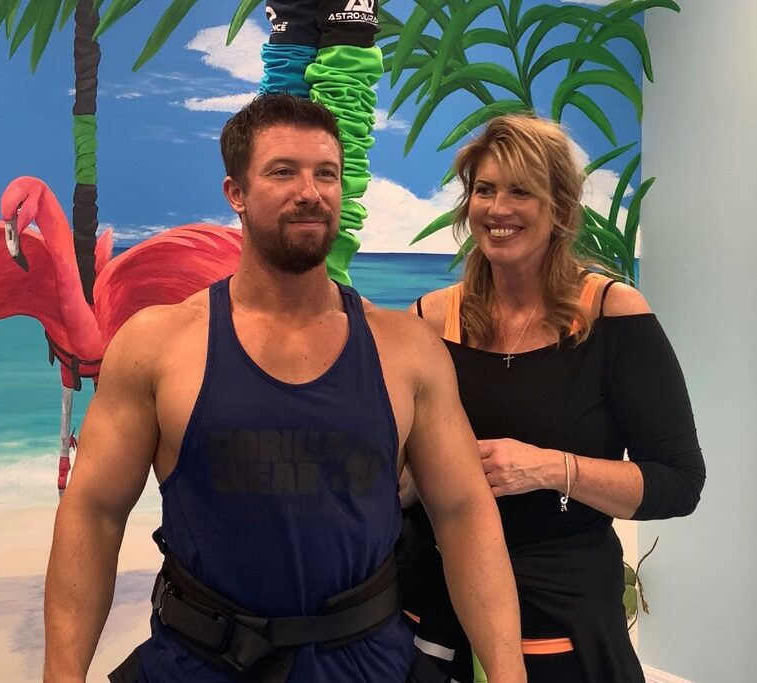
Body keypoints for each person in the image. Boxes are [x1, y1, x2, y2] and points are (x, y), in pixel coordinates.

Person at [43, 93, 526, 683]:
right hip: (199, 665)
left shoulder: (407, 349)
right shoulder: (160, 345)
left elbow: (463, 513)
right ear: (236, 194)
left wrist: (507, 672)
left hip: (367, 666)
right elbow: (93, 513)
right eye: (283, 171)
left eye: (326, 173)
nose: (310, 191)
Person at [397, 114, 706, 683]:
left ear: (560, 209)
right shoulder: (427, 318)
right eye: (484, 190)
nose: (497, 208)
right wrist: (413, 477)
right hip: (429, 614)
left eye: (521, 191)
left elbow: (679, 483)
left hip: (559, 620)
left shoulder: (613, 315)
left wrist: (549, 468)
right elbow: (392, 481)